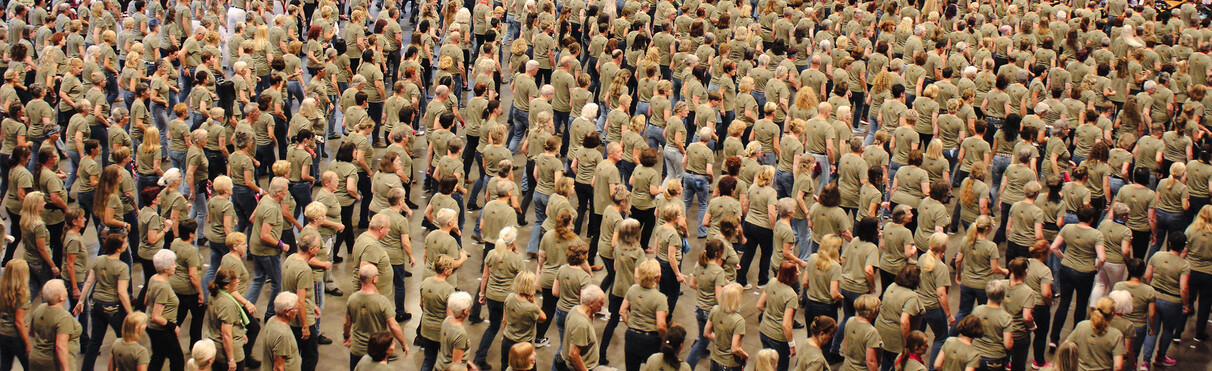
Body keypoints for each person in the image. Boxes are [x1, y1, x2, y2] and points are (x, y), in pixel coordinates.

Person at [1049, 205, 1106, 348]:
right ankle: (1075, 338)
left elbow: (1053, 247)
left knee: (1064, 303)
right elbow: (1102, 257)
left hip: (1067, 269)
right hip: (1085, 273)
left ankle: (1054, 339)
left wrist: (1064, 258)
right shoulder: (1096, 235)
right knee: (1081, 305)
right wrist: (1096, 268)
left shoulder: (1068, 228)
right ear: (1092, 218)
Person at [75, 233, 133, 371]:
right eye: (125, 243)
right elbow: (122, 292)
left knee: (95, 341)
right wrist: (131, 313)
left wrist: (81, 301)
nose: (126, 245)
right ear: (118, 248)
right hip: (113, 307)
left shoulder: (99, 259)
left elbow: (89, 282)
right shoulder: (122, 267)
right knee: (124, 339)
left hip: (96, 304)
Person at [474, 226, 524, 369]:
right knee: (508, 331)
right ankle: (507, 363)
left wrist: (481, 294)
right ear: (513, 241)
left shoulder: (491, 254)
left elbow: (485, 276)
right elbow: (522, 281)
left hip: (492, 296)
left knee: (493, 326)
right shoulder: (516, 259)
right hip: (508, 299)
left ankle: (479, 357)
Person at [344, 260, 409, 371]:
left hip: (357, 349)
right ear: (374, 279)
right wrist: (404, 343)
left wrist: (346, 337)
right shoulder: (382, 301)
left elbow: (347, 323)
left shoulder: (352, 299)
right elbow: (393, 326)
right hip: (377, 351)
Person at [1141, 232, 1190, 367]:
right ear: (1183, 247)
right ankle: (1160, 357)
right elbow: (1184, 288)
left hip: (1154, 298)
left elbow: (1147, 276)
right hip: (1173, 302)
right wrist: (1186, 305)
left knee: (1152, 330)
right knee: (1168, 330)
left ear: (1170, 243)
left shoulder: (1157, 256)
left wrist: (1151, 290)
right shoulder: (1184, 265)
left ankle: (1145, 361)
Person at [953, 216, 1005, 327]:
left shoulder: (966, 240)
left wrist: (958, 274)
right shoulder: (991, 246)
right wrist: (1004, 271)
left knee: (963, 312)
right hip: (983, 285)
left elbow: (958, 260)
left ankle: (952, 334)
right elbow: (995, 268)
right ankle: (981, 333)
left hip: (967, 282)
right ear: (987, 229)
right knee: (985, 313)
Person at [685, 239, 728, 368]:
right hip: (711, 311)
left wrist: (704, 288)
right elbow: (718, 296)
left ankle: (688, 367)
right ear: (717, 254)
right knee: (720, 341)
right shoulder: (718, 271)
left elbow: (692, 284)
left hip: (699, 308)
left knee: (702, 340)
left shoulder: (699, 264)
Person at [282, 232, 320, 371]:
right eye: (318, 247)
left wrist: (313, 304)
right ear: (310, 249)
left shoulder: (290, 258)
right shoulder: (304, 270)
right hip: (301, 320)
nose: (319, 249)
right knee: (310, 357)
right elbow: (301, 300)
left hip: (289, 316)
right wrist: (305, 326)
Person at [207, 268, 257, 371]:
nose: (238, 281)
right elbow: (226, 334)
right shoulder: (227, 305)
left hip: (215, 347)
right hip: (229, 352)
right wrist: (231, 359)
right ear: (226, 286)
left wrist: (240, 334)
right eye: (235, 280)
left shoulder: (214, 294)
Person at [875, 265, 924, 371]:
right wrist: (908, 343)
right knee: (898, 364)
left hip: (881, 331)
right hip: (895, 338)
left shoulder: (892, 286)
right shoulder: (911, 297)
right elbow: (904, 322)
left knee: (886, 361)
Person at [28, 280, 81, 371]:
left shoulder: (40, 308)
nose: (66, 290)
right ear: (61, 297)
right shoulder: (63, 317)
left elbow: (31, 332)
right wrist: (66, 369)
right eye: (64, 289)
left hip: (36, 359)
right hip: (54, 363)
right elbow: (60, 346)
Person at [146, 249, 184, 371]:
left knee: (158, 357)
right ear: (166, 269)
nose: (175, 266)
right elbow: (156, 316)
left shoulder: (153, 278)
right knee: (177, 359)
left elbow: (146, 300)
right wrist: (173, 326)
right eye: (173, 264)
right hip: (162, 330)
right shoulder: (163, 287)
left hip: (152, 328)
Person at [1063, 297, 1126, 371]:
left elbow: (1066, 346)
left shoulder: (1081, 326)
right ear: (1113, 314)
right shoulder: (1116, 335)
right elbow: (1118, 367)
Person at [419, 255, 457, 371]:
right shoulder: (449, 289)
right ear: (446, 270)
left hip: (426, 327)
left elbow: (421, 304)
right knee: (445, 361)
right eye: (451, 268)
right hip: (440, 331)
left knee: (428, 359)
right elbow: (449, 316)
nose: (452, 270)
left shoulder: (425, 282)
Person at [556, 285, 607, 371]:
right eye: (601, 303)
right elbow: (573, 354)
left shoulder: (575, 309)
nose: (603, 305)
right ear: (591, 303)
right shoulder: (581, 325)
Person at [501, 271, 546, 369]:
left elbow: (504, 320)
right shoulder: (531, 308)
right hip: (523, 345)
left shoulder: (509, 297)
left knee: (506, 366)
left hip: (507, 340)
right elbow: (543, 318)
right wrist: (534, 302)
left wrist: (503, 335)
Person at [0, 259, 30, 371]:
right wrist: (27, 343)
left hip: (3, 333)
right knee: (29, 366)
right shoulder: (22, 294)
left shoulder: (2, 289)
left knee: (5, 365)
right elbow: (19, 321)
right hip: (16, 336)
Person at [263, 291, 301, 371]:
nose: (297, 311)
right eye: (296, 308)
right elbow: (278, 367)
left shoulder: (272, 320)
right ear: (287, 312)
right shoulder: (283, 335)